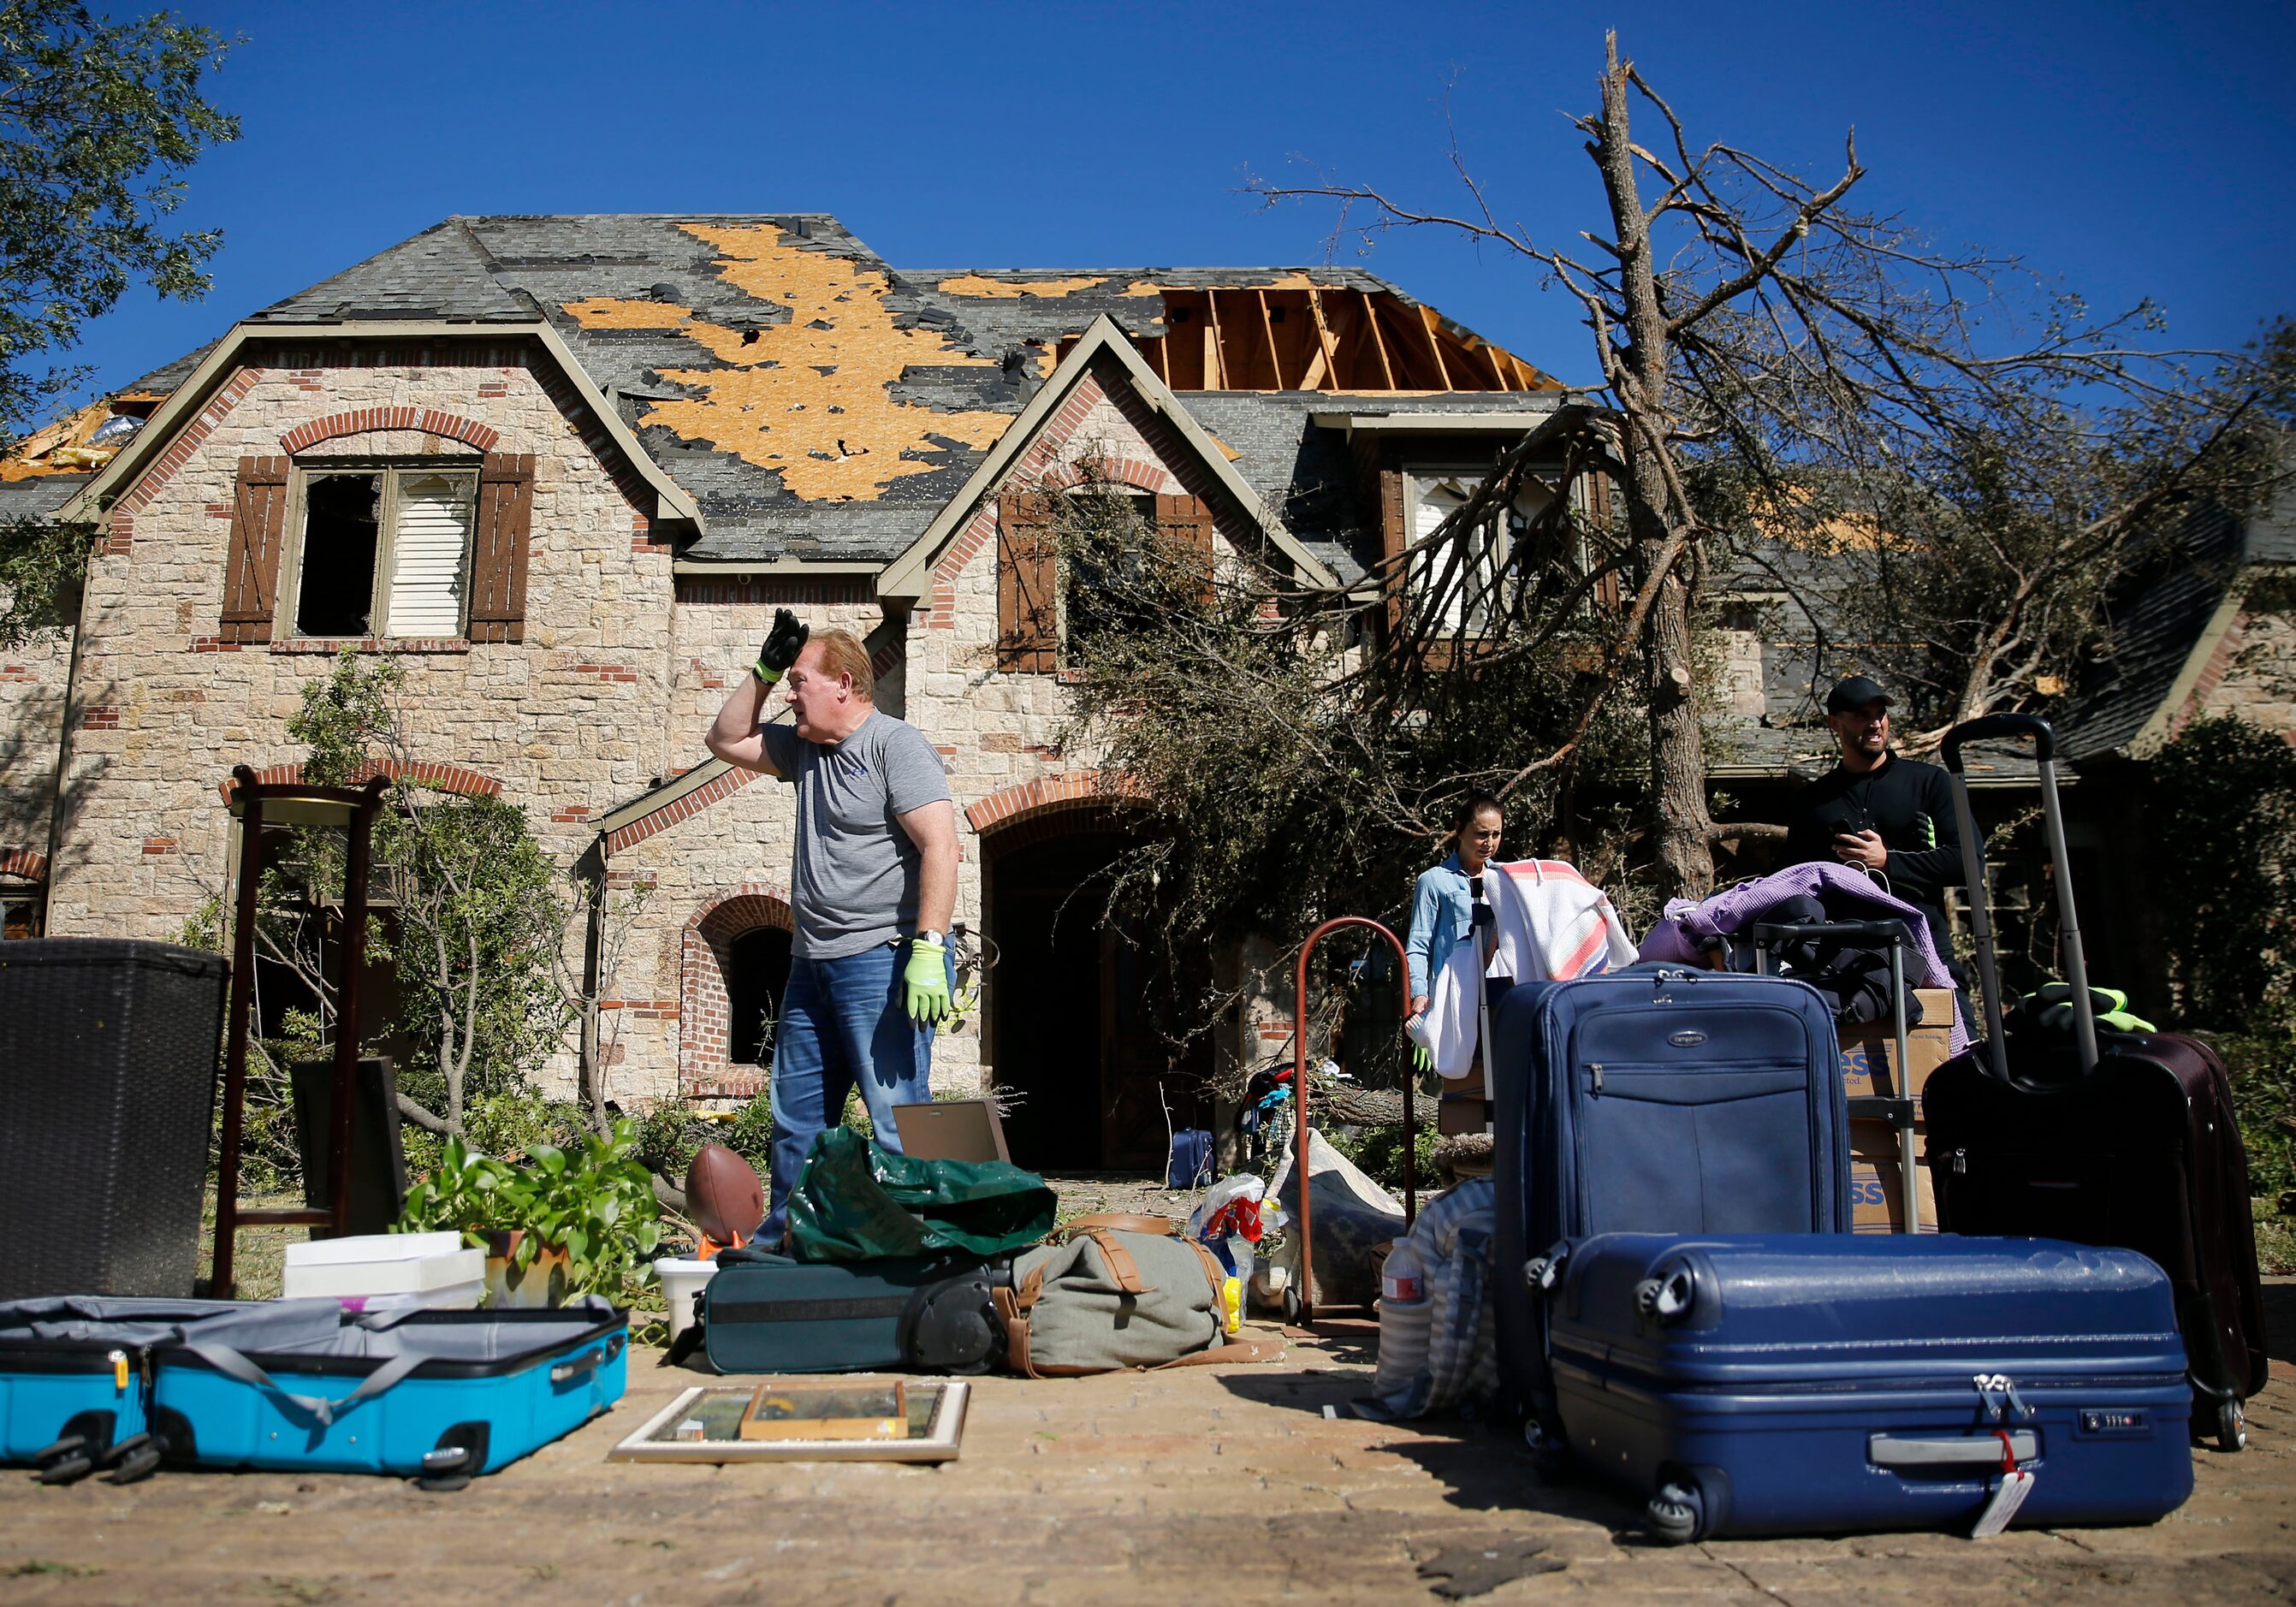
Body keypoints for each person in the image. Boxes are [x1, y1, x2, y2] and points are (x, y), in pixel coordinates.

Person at [705, 608, 959, 1240]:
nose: (789, 695)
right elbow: (726, 739)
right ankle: (792, 1249)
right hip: (810, 964)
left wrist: (929, 948)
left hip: (884, 958)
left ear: (843, 684)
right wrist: (763, 671)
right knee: (797, 1121)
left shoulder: (894, 746)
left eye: (798, 681)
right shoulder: (803, 749)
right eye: (786, 682)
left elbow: (942, 846)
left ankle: (914, 1253)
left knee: (895, 1118)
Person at [1784, 675, 1968, 995]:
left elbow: (1968, 862)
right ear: (1834, 723)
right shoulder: (1814, 801)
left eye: (1880, 714)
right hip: (1844, 962)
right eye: (1861, 716)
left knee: (1961, 1042)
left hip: (1926, 951)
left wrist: (1887, 862)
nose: (1875, 724)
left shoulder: (1929, 783)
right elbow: (1793, 883)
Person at [1403, 792, 1510, 1136]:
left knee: (1502, 1087)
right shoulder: (1434, 881)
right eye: (1481, 833)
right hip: (1455, 1002)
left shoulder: (1505, 880)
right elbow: (1418, 945)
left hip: (1499, 998)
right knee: (1460, 1090)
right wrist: (1419, 993)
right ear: (1460, 830)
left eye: (1495, 834)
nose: (1489, 843)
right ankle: (1460, 1167)